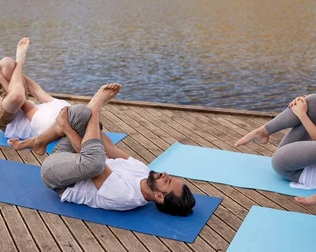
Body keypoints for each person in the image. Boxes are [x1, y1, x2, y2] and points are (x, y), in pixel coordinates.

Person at [25, 82, 196, 215]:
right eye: (170, 177)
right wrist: (90, 124)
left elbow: (89, 160)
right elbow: (109, 147)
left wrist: (72, 126)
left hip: (57, 176)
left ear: (159, 196)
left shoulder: (125, 196)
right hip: (76, 157)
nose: (165, 174)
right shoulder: (143, 171)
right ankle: (41, 142)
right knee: (80, 114)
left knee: (95, 160)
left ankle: (95, 104)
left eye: (167, 181)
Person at [235, 82, 316, 190]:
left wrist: (303, 115)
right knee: (315, 102)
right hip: (303, 153)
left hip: (289, 166)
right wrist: (309, 109)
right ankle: (263, 131)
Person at [0, 37, 70, 141]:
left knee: (17, 95)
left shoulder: (47, 124)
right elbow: (35, 89)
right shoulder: (65, 106)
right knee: (7, 63)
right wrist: (16, 69)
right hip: (17, 103)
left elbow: (22, 102)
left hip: (8, 121)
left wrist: (4, 76)